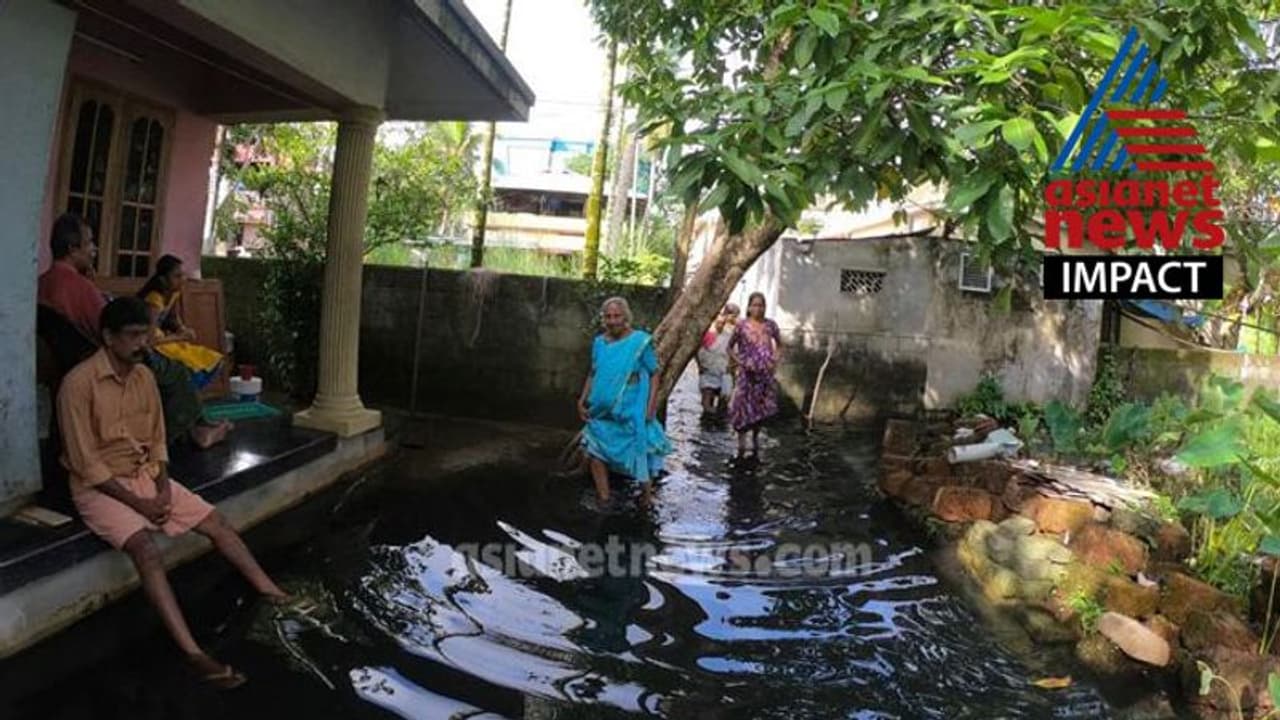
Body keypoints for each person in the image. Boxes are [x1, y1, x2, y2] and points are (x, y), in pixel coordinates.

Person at [57, 297, 292, 689]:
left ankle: (271, 590)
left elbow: (157, 439)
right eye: (132, 336)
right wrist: (141, 504)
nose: (142, 344)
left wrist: (163, 486)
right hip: (99, 487)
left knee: (218, 522)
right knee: (146, 550)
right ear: (108, 337)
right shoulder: (78, 385)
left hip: (147, 476)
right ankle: (193, 652)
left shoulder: (145, 376)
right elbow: (86, 465)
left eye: (145, 335)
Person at [37, 214, 229, 449]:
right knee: (177, 371)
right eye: (89, 243)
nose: (94, 249)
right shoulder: (77, 286)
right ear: (72, 248)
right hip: (107, 360)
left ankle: (198, 426)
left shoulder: (44, 282)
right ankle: (177, 437)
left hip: (74, 361)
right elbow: (116, 325)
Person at [577, 297, 672, 509]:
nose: (612, 321)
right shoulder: (600, 343)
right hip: (601, 409)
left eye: (617, 316)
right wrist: (582, 399)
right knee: (595, 448)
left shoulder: (639, 342)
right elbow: (593, 372)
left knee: (638, 448)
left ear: (626, 317)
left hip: (630, 408)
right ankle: (604, 497)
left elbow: (654, 374)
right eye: (608, 316)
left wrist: (650, 407)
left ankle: (646, 497)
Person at [137, 255, 225, 389]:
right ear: (163, 279)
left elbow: (172, 317)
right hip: (151, 345)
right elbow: (150, 339)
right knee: (191, 366)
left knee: (211, 359)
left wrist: (182, 329)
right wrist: (179, 337)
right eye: (177, 276)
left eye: (183, 275)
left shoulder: (173, 293)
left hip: (164, 340)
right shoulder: (154, 299)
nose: (182, 280)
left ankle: (188, 393)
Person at [728, 292, 782, 461]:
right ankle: (741, 443)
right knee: (742, 406)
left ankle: (756, 439)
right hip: (747, 374)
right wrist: (740, 362)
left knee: (760, 408)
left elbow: (780, 345)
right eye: (755, 305)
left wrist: (774, 360)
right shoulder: (741, 326)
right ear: (749, 307)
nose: (758, 308)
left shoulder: (770, 325)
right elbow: (729, 347)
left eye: (761, 305)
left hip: (764, 374)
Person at [696, 306, 735, 415]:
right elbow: (697, 351)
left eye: (722, 323)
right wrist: (700, 366)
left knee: (724, 401)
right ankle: (710, 420)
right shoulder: (706, 335)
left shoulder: (728, 336)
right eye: (718, 322)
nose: (720, 325)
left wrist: (732, 367)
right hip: (708, 371)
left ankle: (718, 419)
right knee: (707, 402)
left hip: (722, 371)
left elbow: (733, 352)